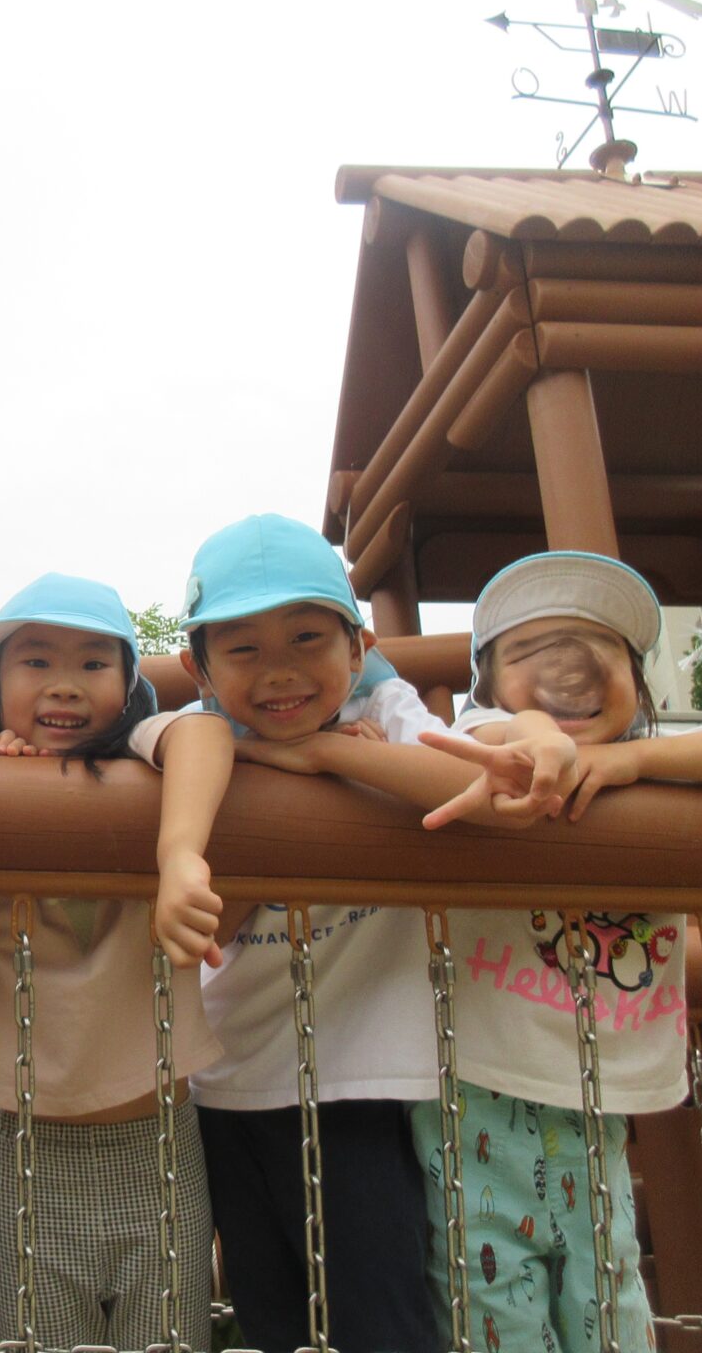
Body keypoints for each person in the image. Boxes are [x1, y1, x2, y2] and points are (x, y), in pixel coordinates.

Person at [400, 551, 702, 1353]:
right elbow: (510, 732)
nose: (567, 670)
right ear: (487, 684)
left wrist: (636, 758)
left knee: (609, 1290)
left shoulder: (656, 765)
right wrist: (543, 740)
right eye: (529, 653)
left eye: (600, 650)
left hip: (597, 1092)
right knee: (490, 1298)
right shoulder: (476, 741)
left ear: (637, 684)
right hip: (475, 1084)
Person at [127, 513, 530, 1353]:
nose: (279, 671)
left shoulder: (385, 708)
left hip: (360, 1084)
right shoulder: (202, 742)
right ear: (200, 669)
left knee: (381, 1319)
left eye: (307, 638)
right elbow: (212, 927)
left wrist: (330, 758)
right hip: (227, 1081)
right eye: (243, 650)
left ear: (357, 648)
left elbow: (486, 794)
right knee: (270, 1315)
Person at [0, 573, 228, 1349]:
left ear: (130, 685)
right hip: (23, 1148)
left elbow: (204, 732)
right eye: (36, 661)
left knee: (170, 1337)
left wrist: (179, 854)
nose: (65, 684)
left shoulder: (140, 755)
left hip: (157, 1138)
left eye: (94, 664)